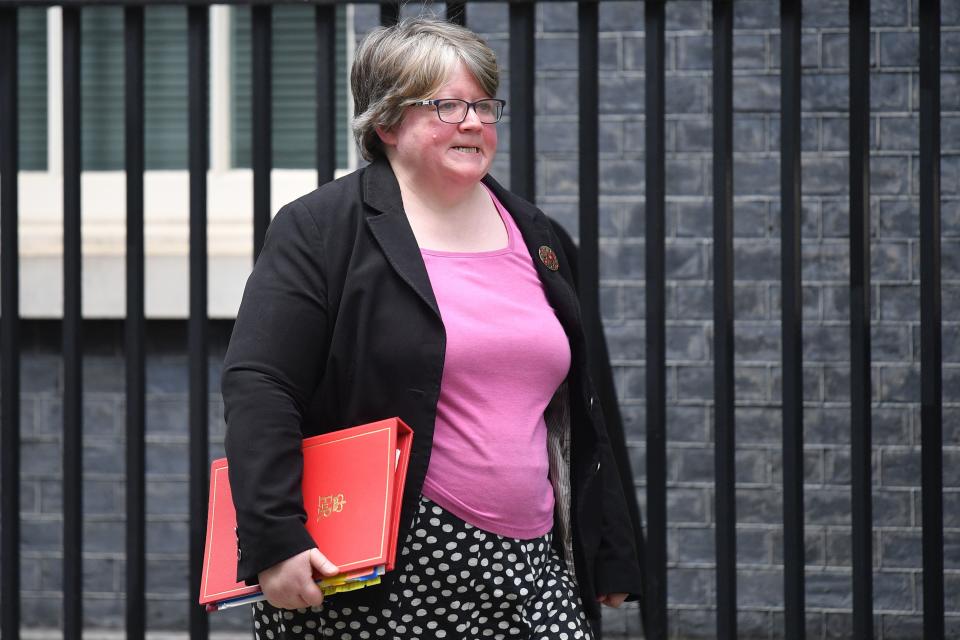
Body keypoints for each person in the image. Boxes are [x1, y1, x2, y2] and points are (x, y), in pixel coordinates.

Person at [222, 16, 643, 640]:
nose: (473, 121)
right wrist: (275, 536)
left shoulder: (541, 237)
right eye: (446, 105)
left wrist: (610, 546)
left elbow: (586, 403)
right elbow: (260, 382)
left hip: (534, 563)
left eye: (482, 104)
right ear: (387, 122)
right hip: (383, 568)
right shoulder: (322, 230)